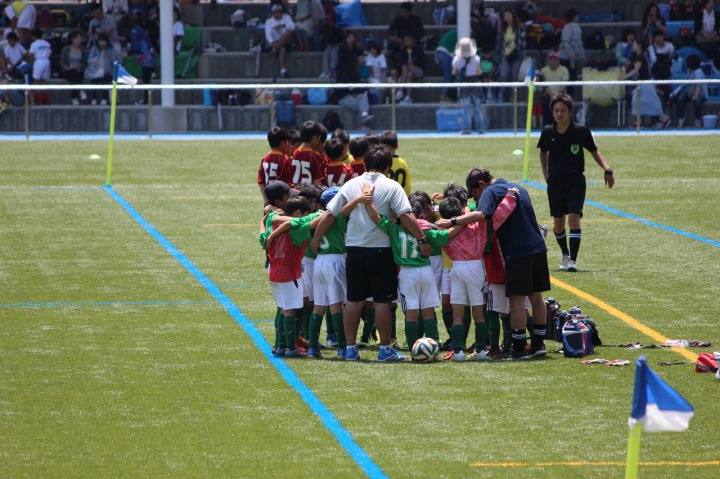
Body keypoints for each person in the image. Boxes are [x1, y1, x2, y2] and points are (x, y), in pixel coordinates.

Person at [311, 146, 430, 362]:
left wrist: (317, 237)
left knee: (353, 300)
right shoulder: (392, 186)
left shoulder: (351, 184)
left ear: (365, 164)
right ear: (388, 166)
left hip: (354, 250)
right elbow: (406, 216)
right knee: (382, 302)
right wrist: (422, 239)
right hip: (381, 250)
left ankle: (350, 349)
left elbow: (330, 214)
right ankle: (385, 349)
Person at [437, 168, 550, 359]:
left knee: (517, 301)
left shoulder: (490, 191)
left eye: (475, 193)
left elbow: (481, 214)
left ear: (481, 185)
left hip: (517, 251)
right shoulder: (518, 188)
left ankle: (519, 348)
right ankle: (539, 344)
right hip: (538, 247)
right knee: (537, 298)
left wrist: (452, 220)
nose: (477, 198)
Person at [365, 195, 461, 350]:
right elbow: (447, 236)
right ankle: (433, 347)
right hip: (426, 271)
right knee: (428, 311)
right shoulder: (425, 230)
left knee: (411, 312)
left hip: (407, 273)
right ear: (420, 215)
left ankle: (412, 349)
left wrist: (368, 200)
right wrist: (462, 222)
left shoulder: (394, 227)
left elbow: (374, 216)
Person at [435, 189, 517, 362]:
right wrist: (510, 197)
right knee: (478, 312)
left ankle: (458, 351)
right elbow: (498, 216)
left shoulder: (441, 229)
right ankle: (480, 350)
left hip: (455, 268)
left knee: (458, 313)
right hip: (475, 268)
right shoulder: (476, 226)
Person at [536, 93, 615, 272]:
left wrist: (607, 169)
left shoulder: (581, 131)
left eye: (563, 110)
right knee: (558, 222)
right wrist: (546, 174)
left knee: (573, 217)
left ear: (570, 111)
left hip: (576, 181)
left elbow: (594, 151)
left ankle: (573, 260)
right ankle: (564, 253)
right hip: (555, 183)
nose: (559, 114)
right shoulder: (547, 132)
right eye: (556, 110)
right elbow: (543, 152)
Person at [261, 193, 312, 358]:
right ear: (298, 213)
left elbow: (262, 236)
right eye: (306, 213)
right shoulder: (297, 230)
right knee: (290, 311)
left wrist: (264, 223)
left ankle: (280, 346)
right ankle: (290, 347)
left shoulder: (272, 225)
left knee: (282, 309)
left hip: (274, 273)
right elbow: (311, 222)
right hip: (289, 274)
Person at [620, 38, 670, 129]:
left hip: (646, 83)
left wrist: (625, 77)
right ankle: (638, 122)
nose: (633, 46)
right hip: (641, 83)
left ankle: (664, 118)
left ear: (639, 45)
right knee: (635, 101)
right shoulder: (638, 55)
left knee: (653, 101)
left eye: (635, 44)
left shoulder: (641, 56)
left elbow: (636, 70)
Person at [452, 37, 485, 135]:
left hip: (464, 84)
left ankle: (467, 128)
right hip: (474, 83)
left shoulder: (457, 59)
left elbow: (453, 72)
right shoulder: (476, 59)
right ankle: (480, 128)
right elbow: (479, 73)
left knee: (466, 108)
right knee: (477, 107)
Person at [668, 54, 708, 128]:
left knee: (697, 101)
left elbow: (698, 85)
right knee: (680, 98)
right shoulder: (689, 71)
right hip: (690, 92)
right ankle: (681, 118)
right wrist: (677, 91)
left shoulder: (698, 71)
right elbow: (687, 81)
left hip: (700, 93)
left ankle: (698, 119)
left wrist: (696, 95)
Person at [495, 8, 525, 102]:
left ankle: (513, 96)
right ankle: (501, 96)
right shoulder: (501, 29)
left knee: (515, 75)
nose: (507, 17)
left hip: (517, 55)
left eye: (508, 15)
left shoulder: (519, 28)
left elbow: (522, 42)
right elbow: (498, 42)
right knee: (503, 75)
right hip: (505, 54)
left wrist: (519, 50)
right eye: (505, 16)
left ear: (513, 16)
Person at [257, 127, 293, 204]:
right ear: (283, 143)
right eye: (288, 142)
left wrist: (266, 200)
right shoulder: (284, 160)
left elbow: (261, 182)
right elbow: (286, 184)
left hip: (269, 200)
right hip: (282, 201)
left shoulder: (265, 159)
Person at [290, 121, 327, 186]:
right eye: (318, 137)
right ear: (314, 139)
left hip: (296, 188)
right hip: (309, 190)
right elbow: (317, 181)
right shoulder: (315, 156)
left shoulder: (296, 152)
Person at [558, 9, 584, 100]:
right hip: (566, 58)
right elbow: (566, 42)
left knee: (573, 76)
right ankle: (566, 95)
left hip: (574, 58)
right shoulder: (567, 27)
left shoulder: (576, 27)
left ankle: (571, 95)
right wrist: (571, 55)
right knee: (568, 76)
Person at [537, 52, 569, 127]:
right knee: (545, 103)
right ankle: (547, 125)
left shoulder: (564, 69)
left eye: (555, 59)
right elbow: (543, 84)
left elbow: (565, 84)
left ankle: (562, 124)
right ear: (548, 61)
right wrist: (551, 94)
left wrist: (557, 94)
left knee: (563, 103)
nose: (553, 61)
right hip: (548, 94)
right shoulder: (544, 70)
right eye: (551, 59)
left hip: (561, 94)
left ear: (558, 60)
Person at [85, 32, 118, 105]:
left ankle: (104, 99)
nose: (102, 43)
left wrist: (108, 57)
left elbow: (114, 61)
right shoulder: (94, 49)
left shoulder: (111, 49)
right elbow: (89, 60)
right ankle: (94, 99)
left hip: (108, 72)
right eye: (100, 41)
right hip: (95, 71)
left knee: (104, 79)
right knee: (93, 79)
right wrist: (94, 60)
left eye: (104, 41)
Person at [264, 3, 295, 78]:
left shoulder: (286, 17)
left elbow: (292, 27)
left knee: (288, 33)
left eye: (279, 12)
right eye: (276, 12)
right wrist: (273, 43)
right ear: (272, 13)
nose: (278, 14)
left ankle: (276, 47)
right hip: (275, 42)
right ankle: (283, 71)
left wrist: (282, 26)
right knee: (282, 49)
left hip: (286, 41)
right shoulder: (269, 21)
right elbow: (268, 35)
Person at [394, 34, 425, 104]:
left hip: (418, 69)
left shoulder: (418, 49)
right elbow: (403, 64)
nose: (407, 42)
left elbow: (422, 63)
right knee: (408, 73)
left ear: (412, 40)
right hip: (407, 71)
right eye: (405, 40)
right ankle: (408, 96)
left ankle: (401, 89)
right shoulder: (402, 50)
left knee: (408, 68)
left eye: (409, 40)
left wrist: (413, 64)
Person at [379, 130, 412, 196]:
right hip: (400, 197)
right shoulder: (403, 163)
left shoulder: (380, 161)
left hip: (385, 197)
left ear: (380, 146)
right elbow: (408, 183)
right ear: (397, 146)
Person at [60, 31, 88, 106]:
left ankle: (74, 98)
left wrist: (79, 65)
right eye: (77, 38)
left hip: (79, 70)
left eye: (80, 38)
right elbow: (62, 62)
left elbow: (85, 62)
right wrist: (66, 67)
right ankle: (80, 91)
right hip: (68, 70)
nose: (79, 40)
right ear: (72, 39)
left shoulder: (83, 50)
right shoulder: (66, 49)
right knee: (73, 74)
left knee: (75, 76)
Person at [28, 28, 51, 105]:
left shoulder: (34, 44)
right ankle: (46, 100)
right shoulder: (47, 43)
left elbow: (31, 55)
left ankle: (39, 100)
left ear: (33, 36)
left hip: (38, 61)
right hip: (47, 61)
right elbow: (50, 53)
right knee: (44, 81)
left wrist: (30, 63)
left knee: (36, 81)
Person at [435, 28, 457, 101]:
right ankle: (444, 94)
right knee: (448, 74)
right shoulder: (459, 33)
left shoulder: (453, 33)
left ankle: (447, 94)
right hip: (445, 53)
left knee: (448, 74)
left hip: (439, 51)